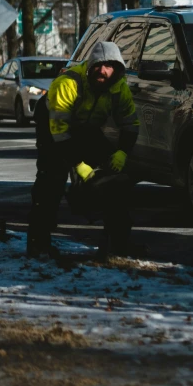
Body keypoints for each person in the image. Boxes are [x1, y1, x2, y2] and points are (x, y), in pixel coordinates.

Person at [29, 41, 140, 259]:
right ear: (89, 67)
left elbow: (130, 125)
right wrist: (79, 164)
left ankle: (118, 244)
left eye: (109, 66)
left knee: (118, 179)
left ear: (118, 70)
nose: (102, 71)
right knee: (50, 179)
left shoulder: (120, 89)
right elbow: (59, 134)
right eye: (98, 65)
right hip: (53, 128)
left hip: (86, 126)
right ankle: (38, 244)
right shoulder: (68, 84)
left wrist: (122, 152)